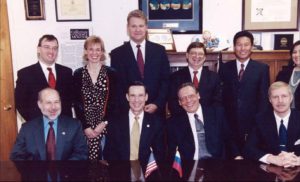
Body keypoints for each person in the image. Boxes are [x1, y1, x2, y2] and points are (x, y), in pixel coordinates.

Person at [110, 9, 170, 116]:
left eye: (141, 26)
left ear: (146, 27)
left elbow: (165, 81)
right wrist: (131, 107)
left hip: (155, 112)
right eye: (133, 26)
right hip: (128, 113)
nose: (137, 29)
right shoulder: (117, 54)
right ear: (128, 28)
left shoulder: (159, 51)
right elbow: (117, 86)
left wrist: (157, 104)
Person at [219, 30, 270, 155]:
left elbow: (264, 99)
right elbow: (221, 97)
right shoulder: (224, 68)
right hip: (230, 126)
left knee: (251, 163)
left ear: (252, 47)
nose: (242, 48)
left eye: (246, 44)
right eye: (239, 44)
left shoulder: (262, 69)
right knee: (232, 163)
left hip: (252, 125)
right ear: (234, 46)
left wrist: (259, 125)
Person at [167, 82, 240, 161]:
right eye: (183, 98)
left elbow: (229, 138)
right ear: (179, 102)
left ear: (198, 95)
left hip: (217, 163)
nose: (188, 100)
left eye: (191, 96)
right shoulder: (173, 124)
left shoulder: (217, 114)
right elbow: (171, 151)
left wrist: (237, 156)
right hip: (189, 165)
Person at [10, 88, 88, 160]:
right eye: (48, 103)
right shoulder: (27, 128)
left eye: (56, 102)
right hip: (37, 174)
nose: (53, 107)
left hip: (66, 173)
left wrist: (64, 169)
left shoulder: (74, 125)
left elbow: (82, 153)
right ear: (39, 104)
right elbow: (16, 156)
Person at [73, 35, 117, 160]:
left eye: (98, 49)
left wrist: (104, 123)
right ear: (86, 51)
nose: (94, 53)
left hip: (106, 126)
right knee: (86, 164)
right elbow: (77, 103)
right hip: (85, 128)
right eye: (91, 49)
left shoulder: (111, 73)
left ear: (102, 52)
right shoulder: (78, 74)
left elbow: (114, 102)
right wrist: (85, 126)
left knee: (107, 162)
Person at [104, 81, 165, 165]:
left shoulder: (157, 123)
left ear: (146, 97)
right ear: (127, 97)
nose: (136, 100)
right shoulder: (115, 123)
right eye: (132, 96)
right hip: (121, 171)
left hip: (148, 171)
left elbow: (160, 154)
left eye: (140, 95)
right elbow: (109, 153)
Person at [15, 34, 73, 121]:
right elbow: (20, 103)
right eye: (47, 47)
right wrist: (35, 122)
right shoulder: (25, 74)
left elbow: (70, 100)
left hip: (64, 125)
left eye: (55, 48)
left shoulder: (66, 72)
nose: (51, 51)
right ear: (38, 49)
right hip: (37, 126)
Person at [244, 81, 300, 168]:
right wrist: (271, 158)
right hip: (269, 170)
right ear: (270, 99)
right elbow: (249, 148)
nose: (280, 101)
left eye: (284, 96)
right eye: (275, 97)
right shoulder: (260, 120)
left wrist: (298, 160)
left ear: (291, 98)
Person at [168, 42, 222, 116]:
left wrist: (205, 117)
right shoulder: (175, 77)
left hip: (208, 119)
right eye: (193, 53)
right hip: (183, 121)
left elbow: (217, 102)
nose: (197, 56)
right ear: (187, 55)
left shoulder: (214, 77)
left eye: (200, 54)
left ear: (205, 57)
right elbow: (173, 103)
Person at [276, 40, 300, 111]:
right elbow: (275, 93)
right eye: (294, 52)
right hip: (284, 115)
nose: (297, 55)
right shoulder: (283, 73)